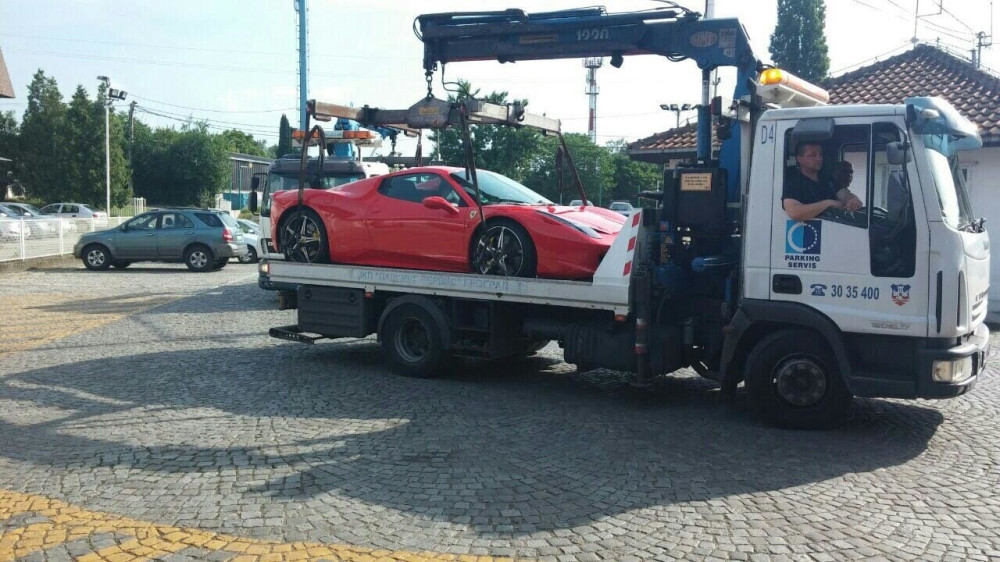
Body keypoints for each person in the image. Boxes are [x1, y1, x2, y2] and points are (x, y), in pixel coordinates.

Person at [782, 142, 862, 221]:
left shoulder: (827, 179)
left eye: (820, 154)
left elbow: (844, 194)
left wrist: (852, 200)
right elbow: (794, 212)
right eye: (813, 155)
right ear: (799, 159)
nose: (819, 158)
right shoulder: (793, 180)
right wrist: (828, 204)